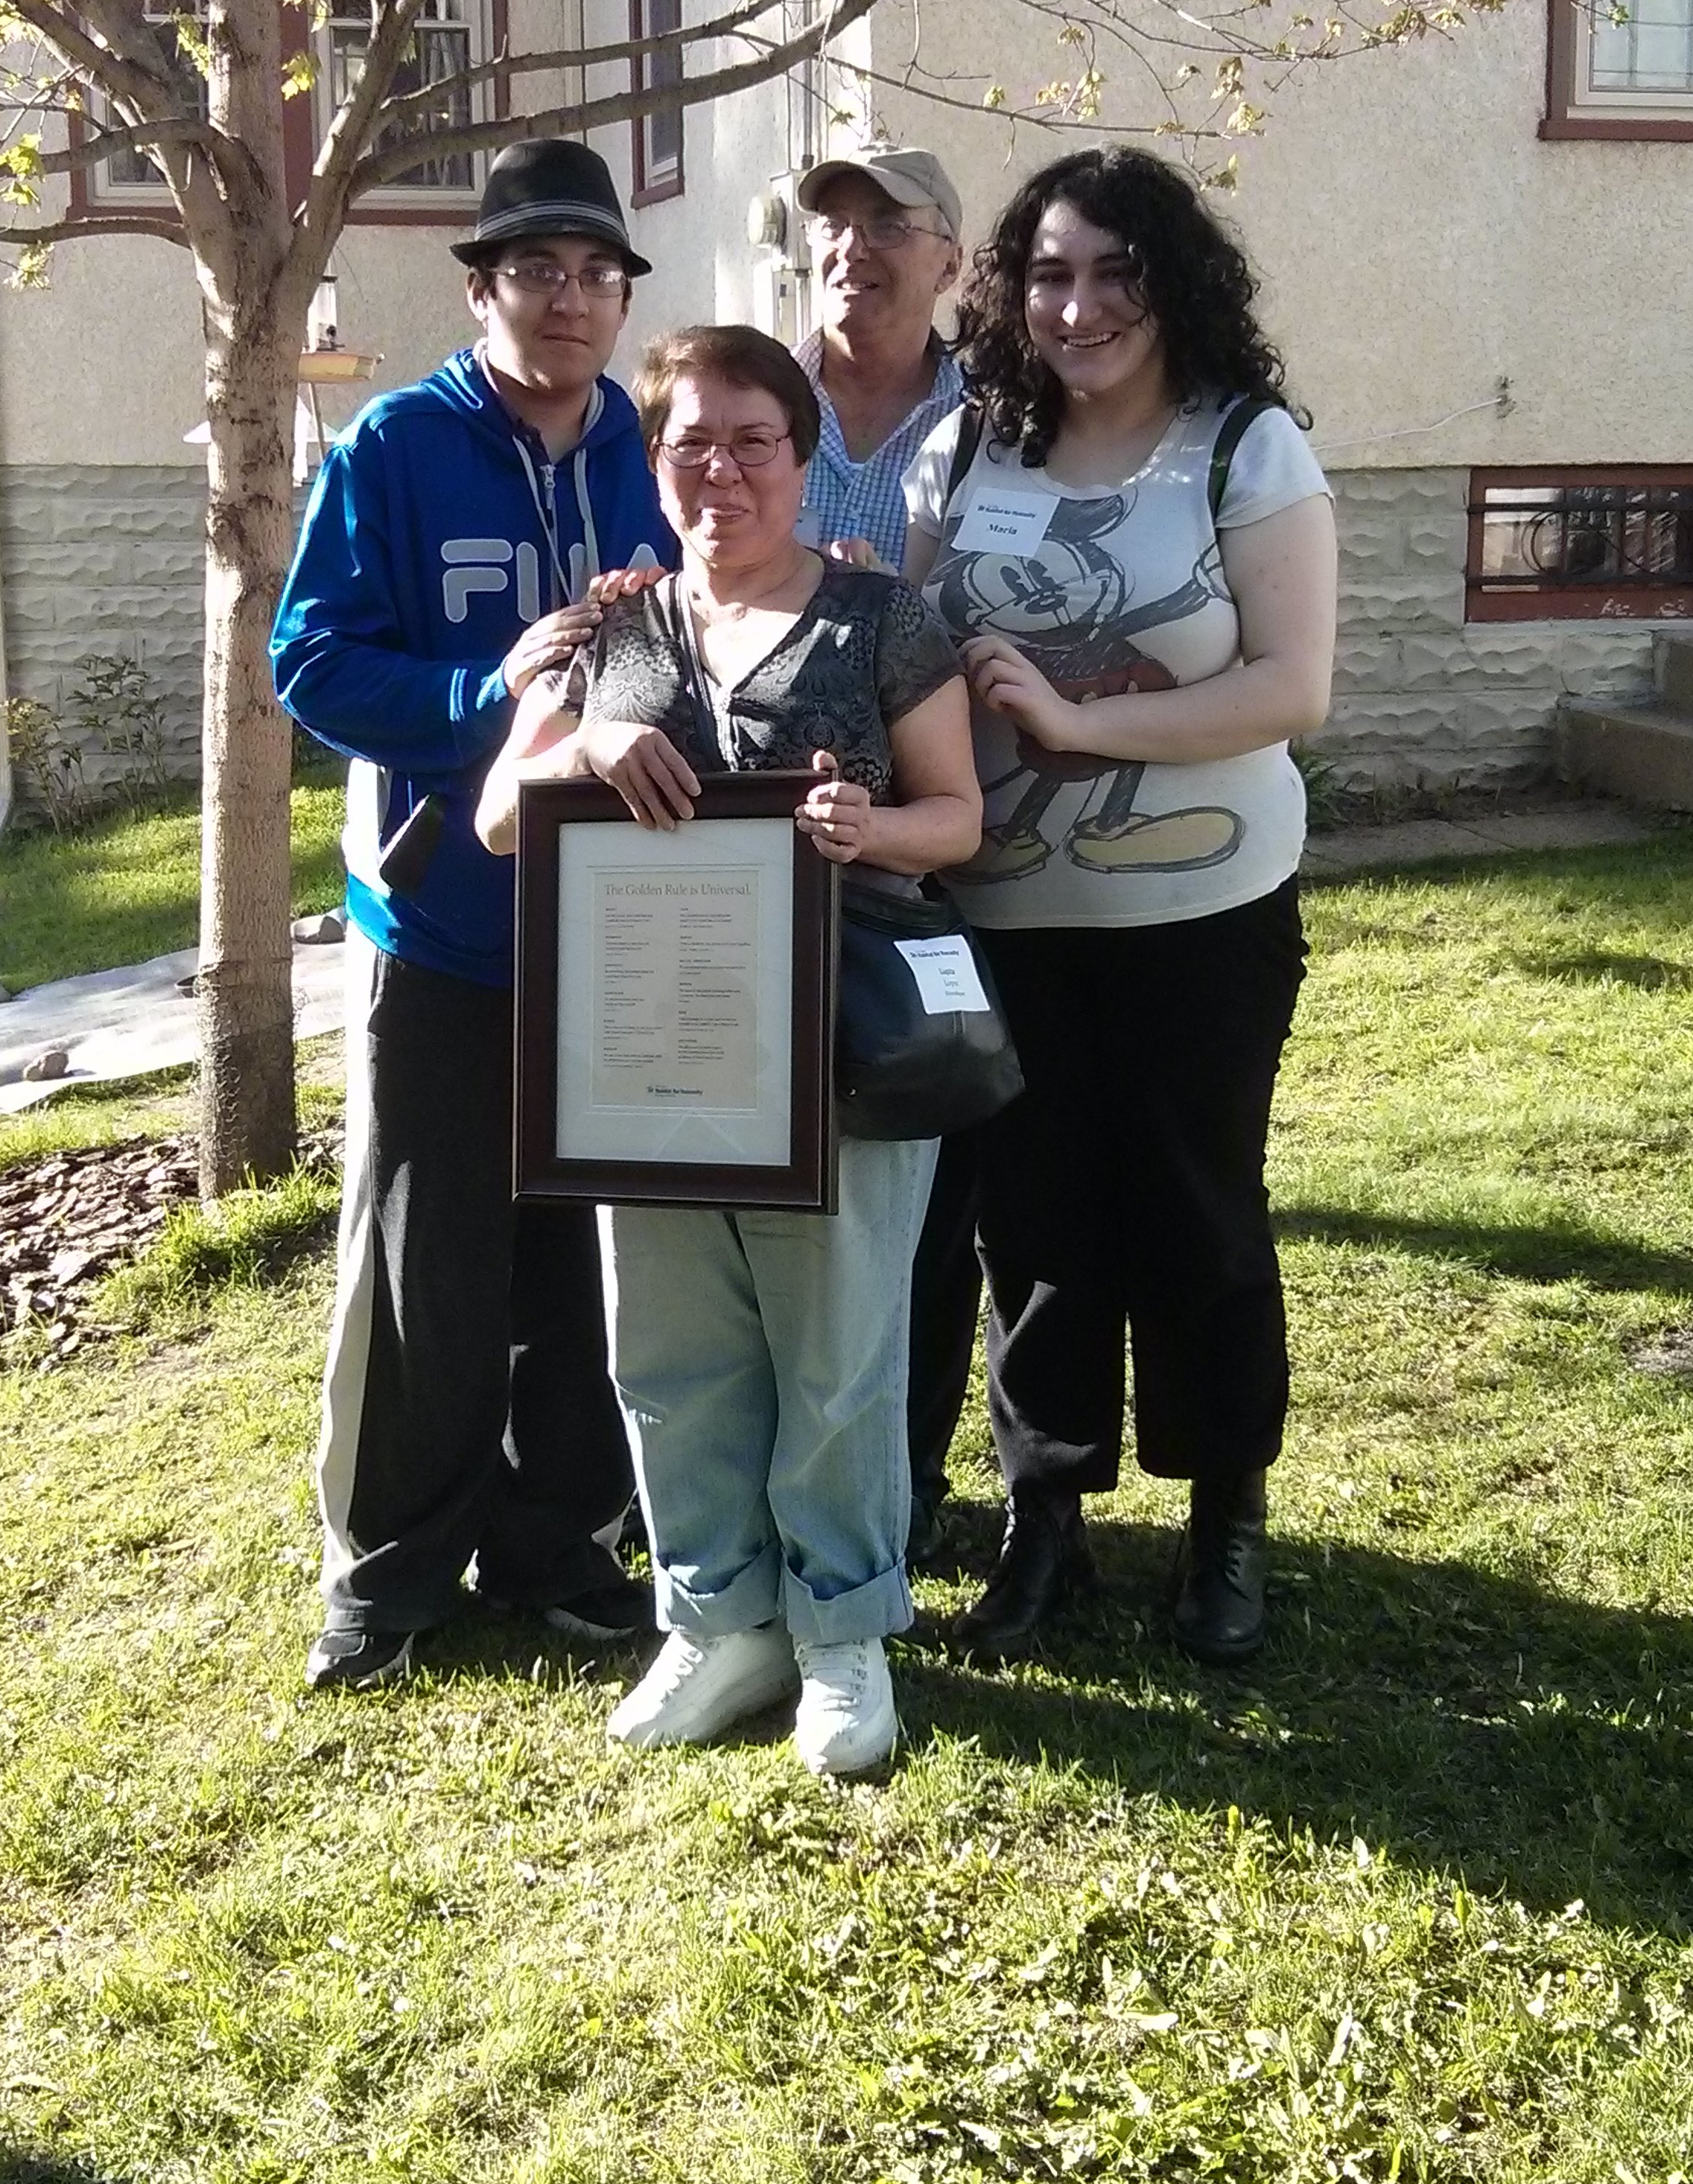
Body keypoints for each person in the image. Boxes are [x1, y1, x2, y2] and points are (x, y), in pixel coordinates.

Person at [476, 324, 984, 1774]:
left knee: (837, 1356)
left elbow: (960, 818)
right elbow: (499, 816)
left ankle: (839, 1634)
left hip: (833, 1059)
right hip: (646, 1051)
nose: (722, 468)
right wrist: (578, 751)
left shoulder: (887, 621)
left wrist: (867, 829)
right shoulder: (611, 630)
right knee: (674, 1351)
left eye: (752, 438)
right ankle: (716, 1620)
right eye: (691, 440)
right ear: (658, 461)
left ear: (801, 452)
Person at [901, 145, 1338, 1664]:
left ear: (1171, 283)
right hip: (1008, 913)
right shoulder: (968, 454)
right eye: (1049, 274)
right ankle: (1049, 1526)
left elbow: (1293, 688)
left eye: (1113, 273)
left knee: (1198, 1208)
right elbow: (906, 654)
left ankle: (1225, 1523)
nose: (1078, 307)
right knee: (1034, 1225)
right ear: (1012, 294)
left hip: (1205, 912)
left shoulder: (1243, 447)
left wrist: (1082, 727)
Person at [271, 139, 679, 1690]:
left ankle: (560, 1537)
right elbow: (308, 663)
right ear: (484, 288)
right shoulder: (397, 445)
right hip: (442, 920)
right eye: (536, 271)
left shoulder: (643, 445)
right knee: (421, 1262)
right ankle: (389, 1567)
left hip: (614, 926)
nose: (569, 302)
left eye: (596, 275)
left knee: (584, 1257)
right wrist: (479, 688)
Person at [790, 146, 980, 1561]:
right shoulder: (750, 405)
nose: (855, 246)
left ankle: (903, 1480)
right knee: (763, 1174)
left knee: (921, 1165)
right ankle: (762, 1471)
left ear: (952, 263)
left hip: (943, 844)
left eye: (890, 226)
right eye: (836, 226)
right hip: (755, 863)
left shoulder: (1004, 418)